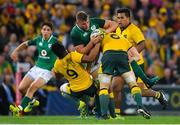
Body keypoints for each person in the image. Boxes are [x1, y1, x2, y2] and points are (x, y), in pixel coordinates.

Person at [113, 8, 167, 114]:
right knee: (115, 87)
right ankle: (117, 114)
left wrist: (131, 54)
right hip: (122, 63)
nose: (119, 20)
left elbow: (142, 44)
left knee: (140, 91)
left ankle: (158, 95)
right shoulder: (118, 29)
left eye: (122, 18)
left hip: (136, 64)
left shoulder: (134, 30)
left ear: (128, 18)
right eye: (118, 18)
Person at [92, 29, 151, 119]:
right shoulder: (123, 38)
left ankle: (103, 114)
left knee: (104, 87)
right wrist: (127, 61)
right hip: (123, 56)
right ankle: (140, 106)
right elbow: (137, 57)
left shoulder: (103, 35)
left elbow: (96, 48)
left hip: (108, 56)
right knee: (133, 85)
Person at [9, 22, 57, 116]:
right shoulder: (38, 39)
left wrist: (57, 67)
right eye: (44, 29)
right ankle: (33, 101)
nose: (45, 31)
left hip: (47, 71)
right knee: (21, 88)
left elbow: (64, 53)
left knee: (32, 87)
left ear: (51, 32)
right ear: (41, 30)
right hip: (36, 68)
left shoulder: (55, 41)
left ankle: (19, 109)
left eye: (48, 30)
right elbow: (26, 44)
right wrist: (16, 51)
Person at [51, 41, 101, 118]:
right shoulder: (73, 55)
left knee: (62, 90)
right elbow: (91, 59)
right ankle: (98, 111)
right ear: (64, 48)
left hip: (76, 91)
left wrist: (65, 72)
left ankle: (80, 106)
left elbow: (58, 77)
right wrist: (97, 44)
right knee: (99, 86)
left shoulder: (56, 64)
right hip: (89, 87)